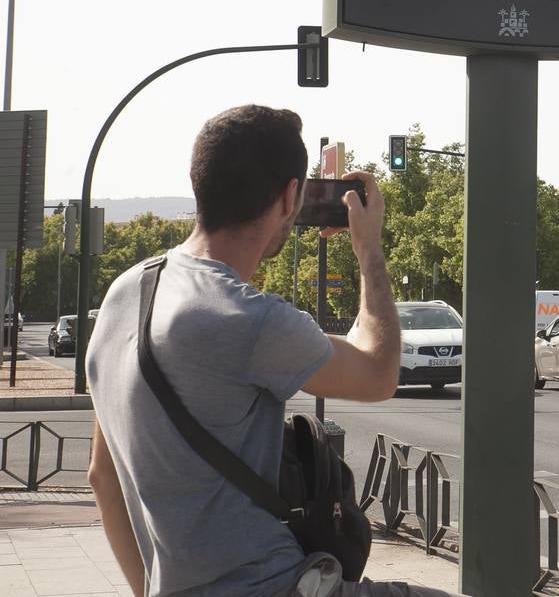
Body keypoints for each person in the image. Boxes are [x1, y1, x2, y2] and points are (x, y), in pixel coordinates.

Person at [86, 105, 458, 597]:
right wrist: (368, 247)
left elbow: (101, 478)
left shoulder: (125, 293)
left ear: (200, 183)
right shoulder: (248, 317)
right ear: (290, 197)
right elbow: (378, 373)